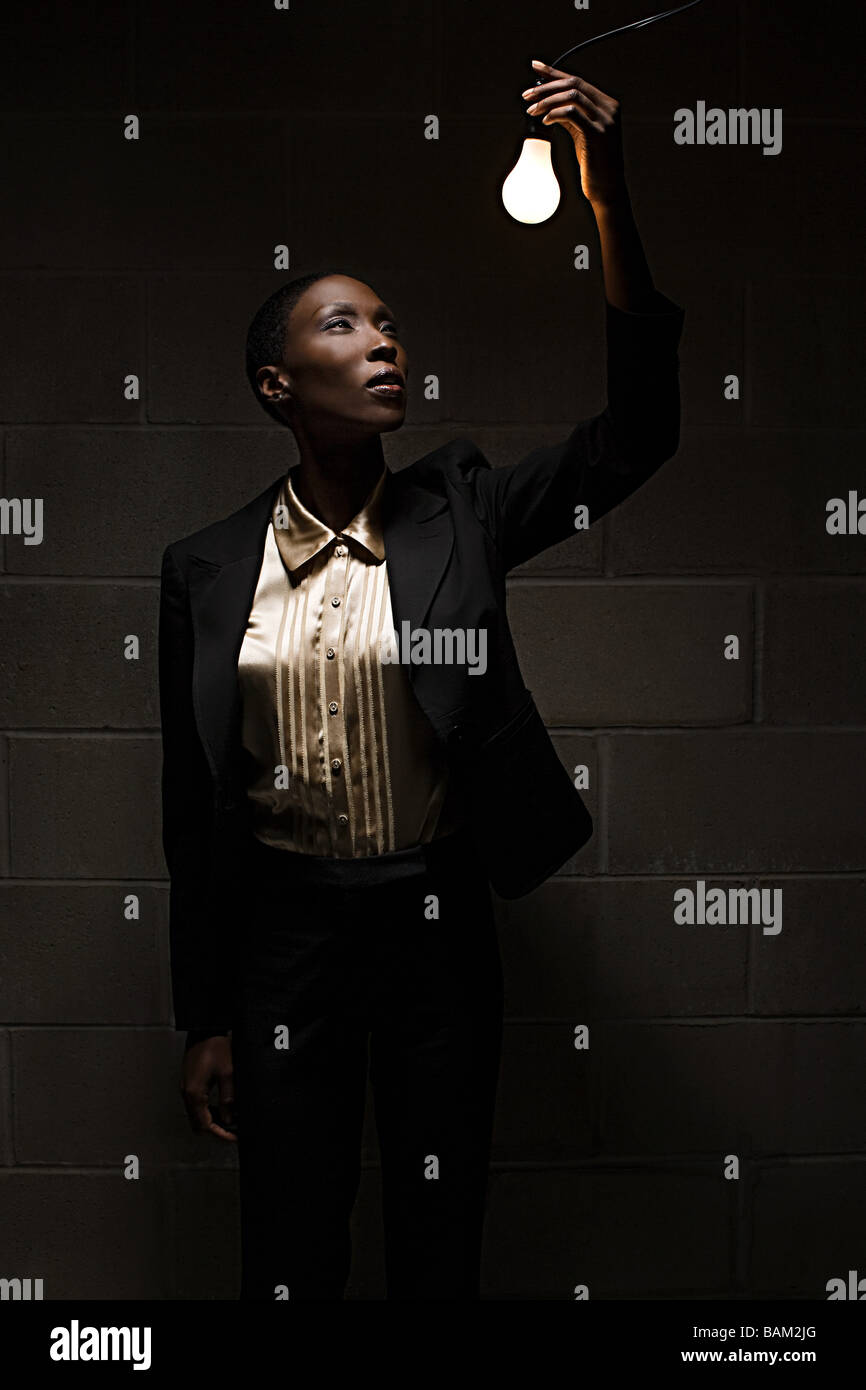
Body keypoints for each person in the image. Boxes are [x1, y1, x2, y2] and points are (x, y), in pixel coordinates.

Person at [158, 61, 685, 1301]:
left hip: (436, 924)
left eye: (388, 322)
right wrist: (206, 1014)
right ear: (277, 385)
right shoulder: (204, 566)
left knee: (436, 1239)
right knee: (289, 1239)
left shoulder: (461, 507)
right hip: (284, 935)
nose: (383, 340)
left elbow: (637, 437)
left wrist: (605, 200)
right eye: (343, 323)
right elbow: (192, 811)